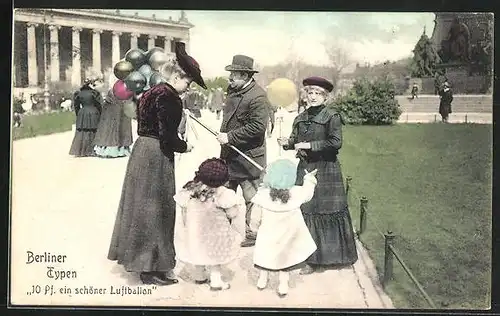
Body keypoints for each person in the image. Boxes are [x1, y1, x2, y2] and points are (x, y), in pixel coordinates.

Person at [107, 42, 206, 286]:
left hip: (142, 151)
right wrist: (185, 146)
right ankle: (149, 267)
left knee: (140, 205)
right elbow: (168, 136)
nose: (187, 89)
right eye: (188, 83)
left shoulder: (152, 91)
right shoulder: (169, 96)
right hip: (156, 155)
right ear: (178, 76)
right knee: (155, 208)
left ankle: (146, 262)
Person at [277, 76, 358, 275]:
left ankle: (332, 257)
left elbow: (335, 143)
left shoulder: (332, 116)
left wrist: (309, 145)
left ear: (325, 97)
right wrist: (286, 142)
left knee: (326, 210)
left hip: (326, 169)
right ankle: (309, 259)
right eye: (310, 93)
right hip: (304, 169)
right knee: (306, 210)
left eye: (317, 93)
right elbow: (295, 141)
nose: (313, 97)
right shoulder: (300, 118)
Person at [217, 54, 271, 247]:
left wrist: (230, 137)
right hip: (229, 155)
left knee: (252, 199)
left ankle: (252, 233)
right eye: (231, 73)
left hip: (248, 158)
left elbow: (257, 127)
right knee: (223, 196)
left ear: (246, 75)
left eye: (235, 74)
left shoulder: (258, 96)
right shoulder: (232, 90)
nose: (230, 78)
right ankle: (224, 232)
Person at [173, 158, 246, 291]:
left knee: (198, 250)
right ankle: (216, 281)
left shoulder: (191, 191)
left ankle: (199, 276)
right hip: (215, 233)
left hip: (195, 230)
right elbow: (232, 213)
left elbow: (183, 209)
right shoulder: (223, 193)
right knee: (215, 256)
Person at [250, 159, 318, 297]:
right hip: (288, 235)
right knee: (285, 260)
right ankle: (283, 284)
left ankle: (262, 279)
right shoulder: (296, 193)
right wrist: (309, 178)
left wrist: (254, 227)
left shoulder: (263, 195)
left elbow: (255, 216)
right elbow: (308, 193)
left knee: (265, 255)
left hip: (268, 234)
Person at [92, 88, 134, 158]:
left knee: (109, 132)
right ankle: (120, 150)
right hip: (120, 115)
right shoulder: (124, 101)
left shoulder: (108, 103)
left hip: (111, 119)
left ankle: (107, 149)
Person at [69, 78, 103, 157]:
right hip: (93, 112)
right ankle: (92, 150)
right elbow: (99, 104)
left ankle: (81, 150)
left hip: (83, 112)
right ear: (90, 84)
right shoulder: (94, 93)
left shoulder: (78, 93)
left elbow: (76, 106)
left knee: (82, 132)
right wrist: (100, 114)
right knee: (92, 131)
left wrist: (79, 114)